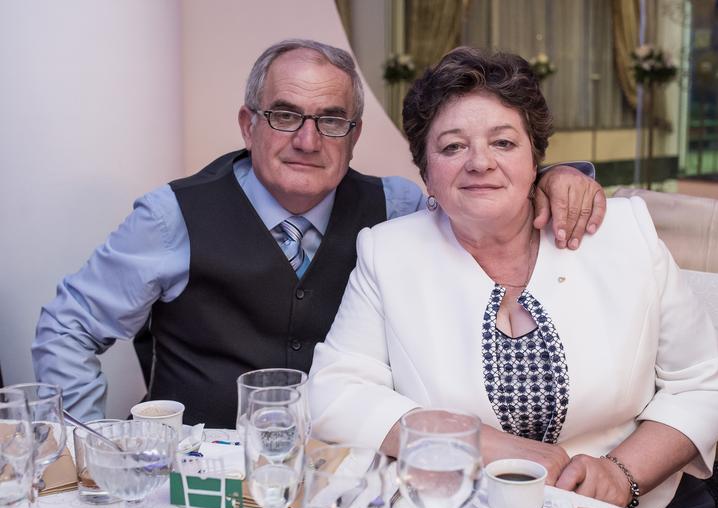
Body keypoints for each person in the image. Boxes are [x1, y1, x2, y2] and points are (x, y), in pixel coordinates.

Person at [32, 39, 603, 429]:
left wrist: (555, 178)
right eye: (285, 116)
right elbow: (67, 328)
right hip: (205, 475)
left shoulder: (397, 207)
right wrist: (87, 445)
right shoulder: (171, 216)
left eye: (330, 120)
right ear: (248, 124)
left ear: (354, 135)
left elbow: (479, 194)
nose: (307, 141)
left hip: (353, 475)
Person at [308, 47, 718, 508]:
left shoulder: (623, 233)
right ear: (427, 175)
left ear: (536, 161)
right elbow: (334, 393)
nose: (479, 162)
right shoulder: (388, 252)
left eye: (503, 143)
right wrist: (476, 442)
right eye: (453, 146)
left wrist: (622, 474)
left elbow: (704, 383)